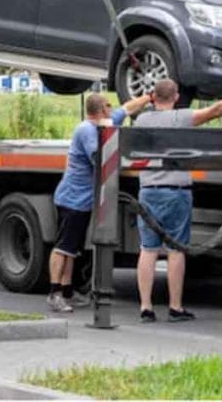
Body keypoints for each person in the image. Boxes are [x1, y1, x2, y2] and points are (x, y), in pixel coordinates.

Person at [133, 78, 222, 323]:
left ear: (154, 97)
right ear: (176, 96)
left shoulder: (142, 120)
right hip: (176, 192)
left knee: (148, 250)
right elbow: (215, 110)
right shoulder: (181, 118)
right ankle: (175, 307)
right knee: (176, 251)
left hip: (148, 191)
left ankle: (146, 307)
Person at [46, 91, 152, 313]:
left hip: (82, 201)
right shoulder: (87, 131)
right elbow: (101, 159)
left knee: (72, 249)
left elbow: (128, 108)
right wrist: (133, 162)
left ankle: (67, 292)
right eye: (109, 105)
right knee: (63, 247)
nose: (113, 108)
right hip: (72, 199)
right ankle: (54, 293)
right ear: (101, 109)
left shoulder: (103, 124)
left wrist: (148, 97)